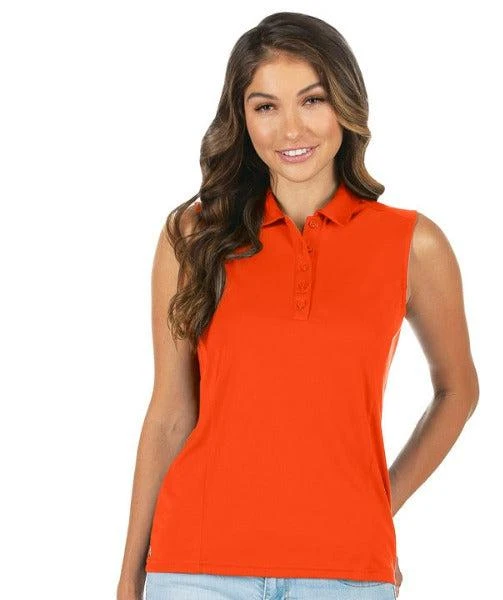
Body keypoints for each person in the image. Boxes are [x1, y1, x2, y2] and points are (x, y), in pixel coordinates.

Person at [117, 11, 479, 600]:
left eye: (312, 100)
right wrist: (130, 575)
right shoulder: (193, 235)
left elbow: (458, 391)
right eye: (266, 106)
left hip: (346, 571)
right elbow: (170, 413)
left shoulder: (413, 244)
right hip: (195, 566)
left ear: (345, 104)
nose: (291, 129)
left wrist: (377, 507)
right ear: (242, 119)